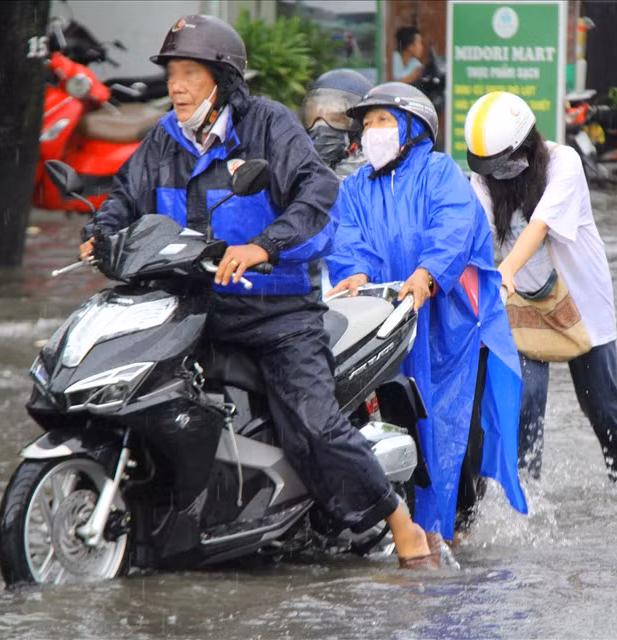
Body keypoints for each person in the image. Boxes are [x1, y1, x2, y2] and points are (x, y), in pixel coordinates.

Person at [78, 14, 439, 570]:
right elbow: (125, 195)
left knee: (314, 427)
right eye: (172, 72)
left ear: (221, 79)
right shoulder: (164, 138)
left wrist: (264, 246)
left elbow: (316, 195)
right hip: (192, 309)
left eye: (189, 73)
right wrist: (97, 236)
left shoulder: (268, 125)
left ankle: (399, 521)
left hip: (277, 314)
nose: (176, 86)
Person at [326, 82, 528, 543]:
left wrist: (427, 273)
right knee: (395, 426)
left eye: (382, 121)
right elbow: (346, 239)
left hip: (448, 329)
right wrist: (354, 273)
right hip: (386, 324)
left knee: (452, 431)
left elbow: (454, 227)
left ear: (412, 128)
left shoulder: (440, 173)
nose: (371, 131)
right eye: (368, 122)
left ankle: (452, 532)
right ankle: (400, 526)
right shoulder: (355, 187)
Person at [463, 91, 617, 484]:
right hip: (522, 300)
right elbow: (475, 233)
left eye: (503, 163)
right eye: (490, 167)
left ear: (525, 145)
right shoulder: (482, 180)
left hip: (582, 301)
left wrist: (505, 271)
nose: (497, 173)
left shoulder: (563, 162)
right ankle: (523, 490)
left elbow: (540, 227)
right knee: (524, 400)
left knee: (601, 403)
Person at [299, 68, 373, 180]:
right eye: (312, 115)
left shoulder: (375, 180)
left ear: (363, 124)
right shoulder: (293, 172)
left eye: (336, 118)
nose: (321, 126)